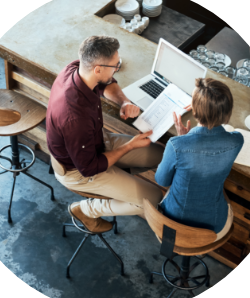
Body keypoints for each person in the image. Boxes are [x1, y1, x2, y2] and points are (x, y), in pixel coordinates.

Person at [46, 35, 164, 233]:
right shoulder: (75, 118)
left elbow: (105, 83)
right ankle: (86, 210)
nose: (117, 68)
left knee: (161, 155)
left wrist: (124, 102)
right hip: (79, 170)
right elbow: (89, 167)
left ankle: (118, 177)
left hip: (96, 142)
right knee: (154, 198)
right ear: (97, 68)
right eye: (115, 66)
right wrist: (129, 146)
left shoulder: (76, 68)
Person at [154, 78, 244, 241]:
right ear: (227, 112)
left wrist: (184, 139)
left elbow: (162, 180)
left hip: (174, 223)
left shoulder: (176, 145)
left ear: (194, 111)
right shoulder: (237, 141)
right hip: (212, 228)